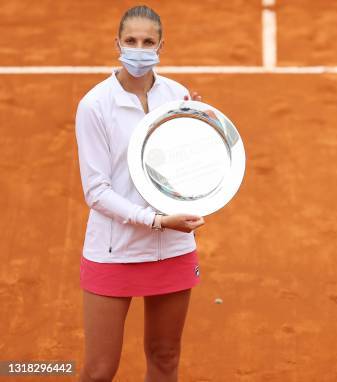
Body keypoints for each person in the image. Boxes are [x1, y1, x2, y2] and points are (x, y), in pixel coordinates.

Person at [75, 6, 206, 382]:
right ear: (116, 43)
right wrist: (156, 220)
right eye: (131, 41)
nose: (139, 49)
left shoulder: (177, 94)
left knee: (165, 357)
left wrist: (198, 126)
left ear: (161, 45)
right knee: (100, 370)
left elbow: (187, 168)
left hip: (174, 247)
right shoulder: (95, 105)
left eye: (148, 42)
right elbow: (96, 191)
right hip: (115, 251)